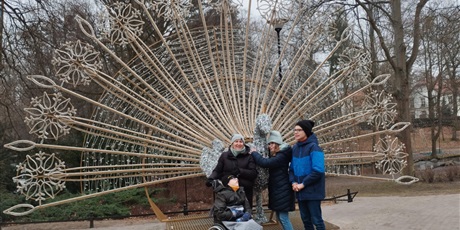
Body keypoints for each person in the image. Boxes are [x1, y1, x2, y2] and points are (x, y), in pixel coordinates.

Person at [250, 130, 295, 230]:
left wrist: (254, 153)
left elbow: (265, 163)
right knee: (280, 216)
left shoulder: (281, 156)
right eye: (269, 143)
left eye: (271, 143)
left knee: (283, 218)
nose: (269, 146)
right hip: (279, 190)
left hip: (283, 191)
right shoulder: (280, 154)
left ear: (277, 144)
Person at [289, 120, 326, 230]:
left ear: (306, 131)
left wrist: (303, 184)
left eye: (299, 130)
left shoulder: (314, 147)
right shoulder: (295, 148)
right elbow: (291, 169)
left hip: (313, 192)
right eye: (295, 130)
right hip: (300, 193)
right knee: (305, 221)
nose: (296, 132)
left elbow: (318, 171)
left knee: (317, 220)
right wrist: (293, 182)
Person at [207, 134, 258, 208]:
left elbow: (253, 173)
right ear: (232, 143)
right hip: (229, 192)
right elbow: (217, 170)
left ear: (243, 143)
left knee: (245, 216)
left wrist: (240, 171)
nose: (238, 144)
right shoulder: (224, 156)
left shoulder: (249, 157)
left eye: (240, 141)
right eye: (236, 141)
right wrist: (211, 178)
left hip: (245, 192)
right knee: (229, 215)